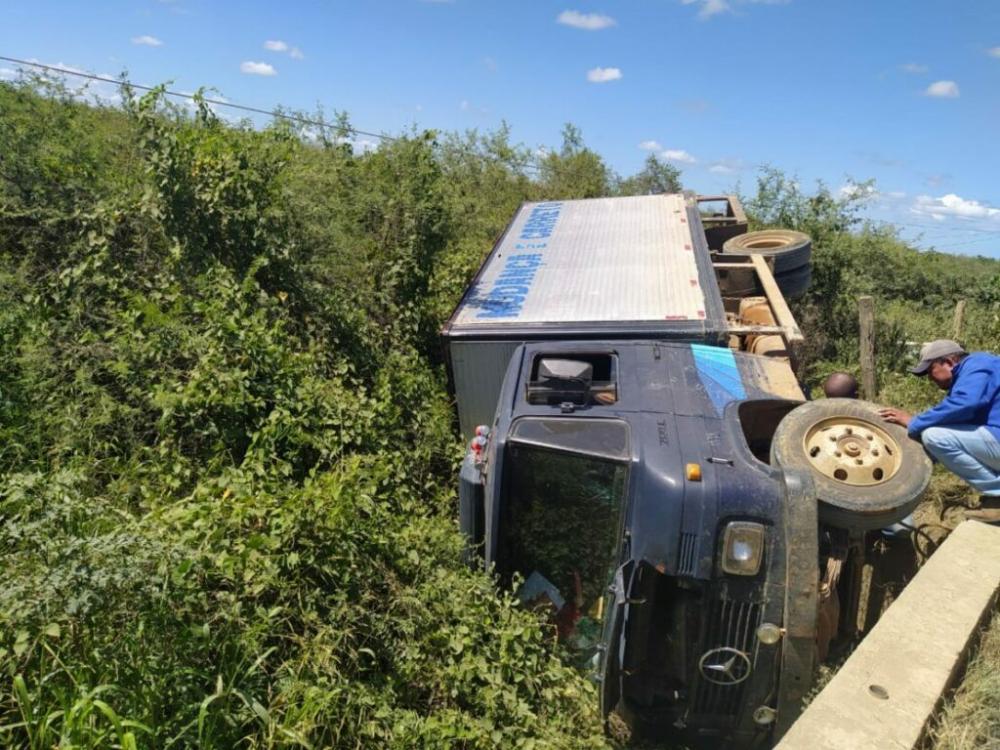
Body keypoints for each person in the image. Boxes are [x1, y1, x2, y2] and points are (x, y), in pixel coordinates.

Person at [880, 340, 1000, 497]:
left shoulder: (977, 363)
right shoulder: (979, 370)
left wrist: (914, 422)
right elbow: (960, 419)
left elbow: (966, 403)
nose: (930, 378)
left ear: (949, 362)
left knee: (934, 436)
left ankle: (996, 496)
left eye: (930, 371)